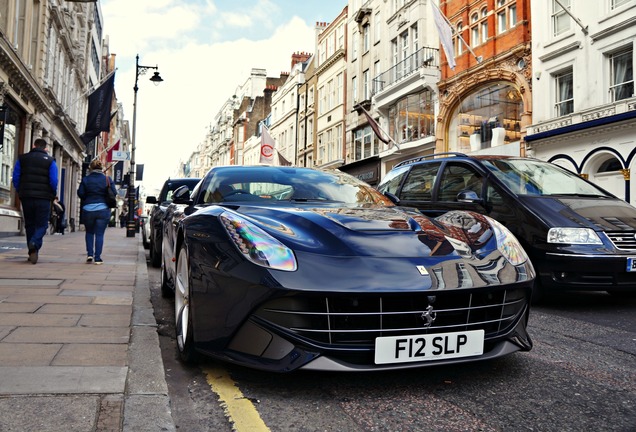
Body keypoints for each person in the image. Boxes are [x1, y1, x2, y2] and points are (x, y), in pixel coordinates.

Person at [12, 138, 58, 264]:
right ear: (45, 148)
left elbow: (16, 177)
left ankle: (32, 251)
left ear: (33, 146)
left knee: (29, 224)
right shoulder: (50, 161)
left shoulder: (22, 159)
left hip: (26, 196)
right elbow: (53, 180)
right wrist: (52, 193)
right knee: (42, 225)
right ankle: (34, 243)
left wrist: (20, 191)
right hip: (43, 198)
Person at [77, 159, 116, 265]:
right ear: (101, 168)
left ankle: (90, 254)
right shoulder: (107, 179)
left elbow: (80, 193)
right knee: (99, 234)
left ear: (91, 168)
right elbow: (114, 192)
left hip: (88, 209)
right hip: (103, 210)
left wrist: (87, 199)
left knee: (89, 232)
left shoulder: (86, 179)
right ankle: (97, 258)